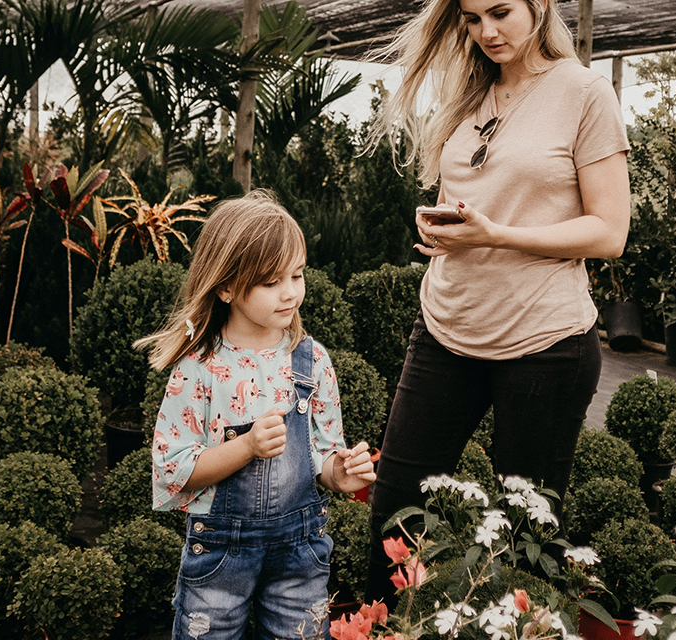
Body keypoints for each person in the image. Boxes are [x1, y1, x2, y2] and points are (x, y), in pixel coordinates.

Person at [362, 0, 631, 606]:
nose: (486, 31)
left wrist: (498, 235)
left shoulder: (585, 93)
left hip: (544, 344)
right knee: (396, 510)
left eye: (501, 11)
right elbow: (472, 193)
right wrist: (442, 227)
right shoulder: (471, 90)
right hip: (445, 327)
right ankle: (382, 626)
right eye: (471, 17)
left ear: (540, 5)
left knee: (522, 537)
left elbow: (610, 232)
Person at [136, 190, 376, 640]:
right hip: (221, 558)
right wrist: (244, 447)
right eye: (271, 282)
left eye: (297, 275)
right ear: (226, 287)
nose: (291, 293)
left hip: (301, 552)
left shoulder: (312, 361)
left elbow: (322, 457)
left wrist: (338, 473)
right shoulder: (200, 370)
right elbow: (175, 469)